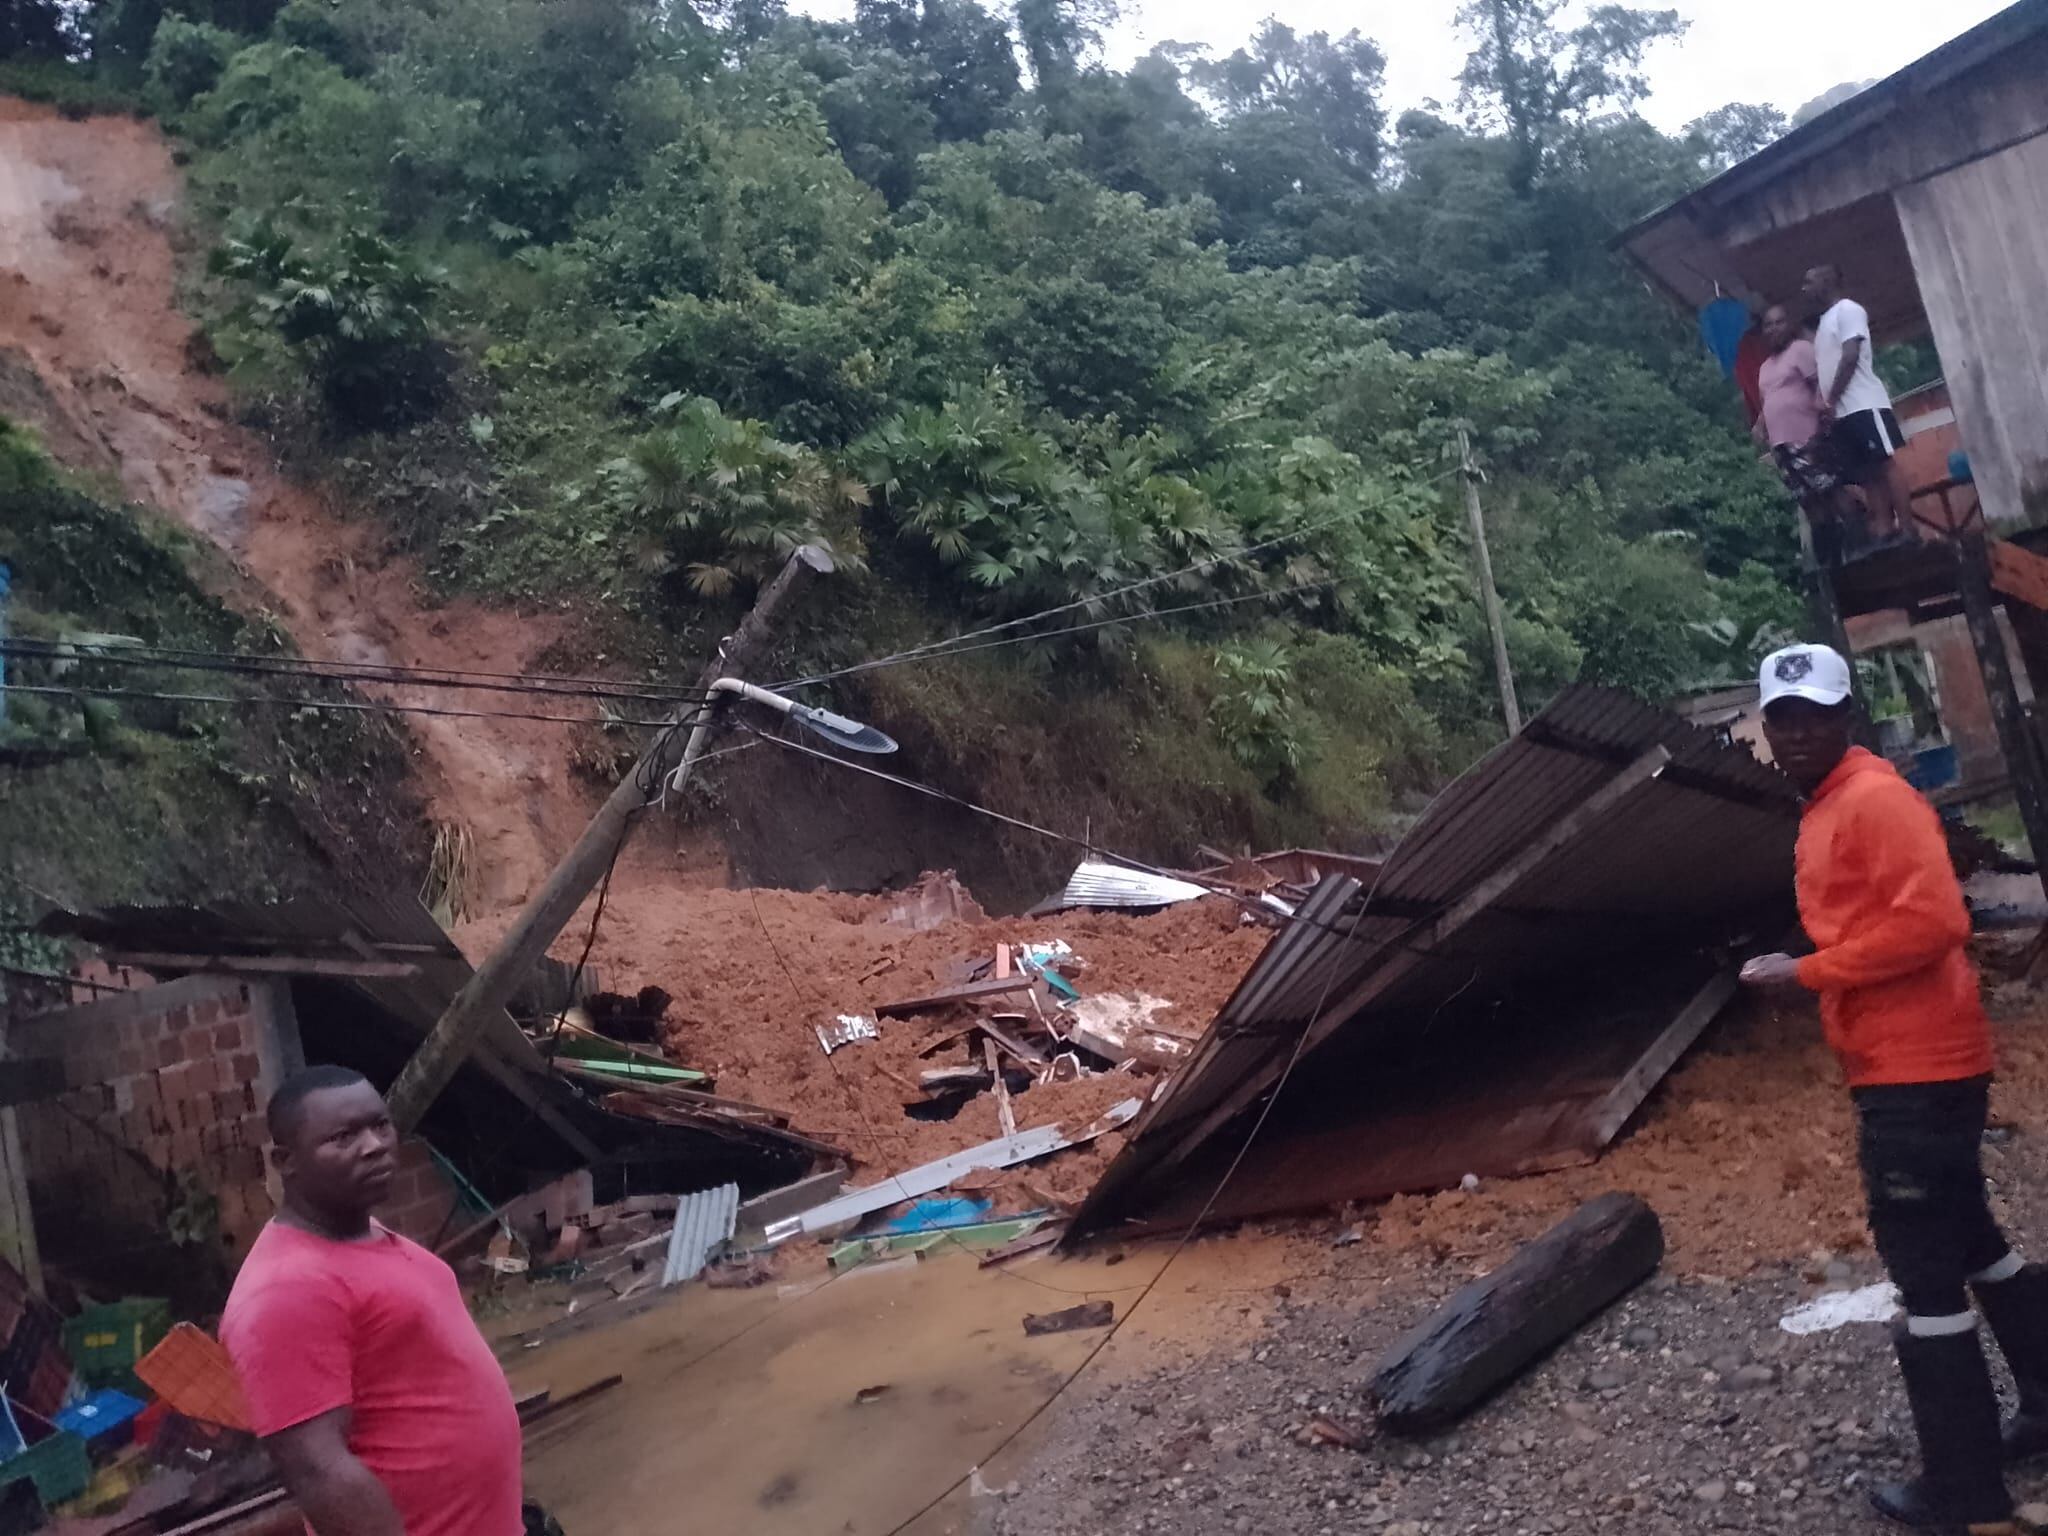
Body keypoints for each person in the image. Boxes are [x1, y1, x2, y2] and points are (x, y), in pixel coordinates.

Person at [1741, 643, 2044, 1535]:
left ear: (1847, 717)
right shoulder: (1831, 803)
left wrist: (1806, 972)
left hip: (1916, 1071)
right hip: (1918, 1063)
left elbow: (1937, 921)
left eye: (1815, 716)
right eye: (1783, 718)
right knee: (1973, 1237)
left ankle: (1966, 1490)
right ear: (1768, 727)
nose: (1798, 733)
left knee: (1924, 1274)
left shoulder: (1873, 799)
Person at [221, 1066, 526, 1536]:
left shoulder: (362, 1234)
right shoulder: (285, 1291)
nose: (374, 1145)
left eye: (380, 1125)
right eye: (343, 1137)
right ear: (287, 1161)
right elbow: (318, 1471)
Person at [1804, 263, 1909, 542]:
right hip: (1843, 412)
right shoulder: (1824, 322)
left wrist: (1831, 398)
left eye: (1809, 282)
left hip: (1864, 403)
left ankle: (1908, 529)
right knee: (1867, 472)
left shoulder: (1848, 310)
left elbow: (1850, 356)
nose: (1805, 289)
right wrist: (1829, 404)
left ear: (1827, 281)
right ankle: (1885, 530)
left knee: (1885, 464)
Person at [1753, 302, 1855, 555]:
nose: (1774, 329)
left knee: (1831, 491)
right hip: (1782, 446)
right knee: (1808, 501)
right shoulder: (1764, 368)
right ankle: (1830, 560)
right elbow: (1769, 401)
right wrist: (1760, 425)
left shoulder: (1800, 349)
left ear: (1789, 325)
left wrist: (1822, 421)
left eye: (1779, 322)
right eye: (1768, 324)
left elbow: (1820, 385)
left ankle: (1861, 543)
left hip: (1808, 438)